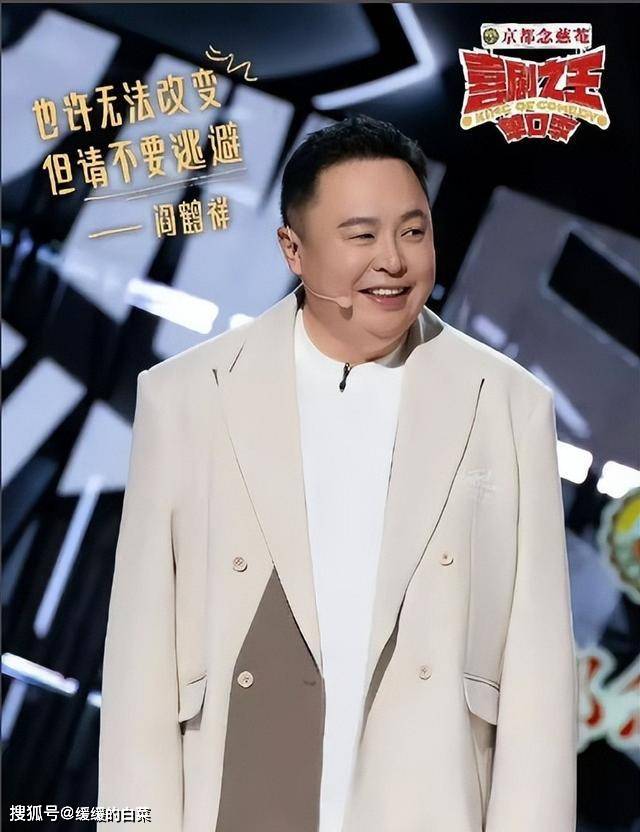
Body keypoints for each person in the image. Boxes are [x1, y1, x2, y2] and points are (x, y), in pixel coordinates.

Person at [98, 115, 578, 832]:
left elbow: (538, 678)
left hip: (425, 804)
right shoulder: (188, 397)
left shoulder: (508, 405)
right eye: (361, 235)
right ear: (293, 249)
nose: (393, 260)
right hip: (239, 798)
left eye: (413, 232)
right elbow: (140, 667)